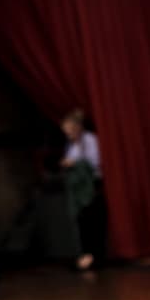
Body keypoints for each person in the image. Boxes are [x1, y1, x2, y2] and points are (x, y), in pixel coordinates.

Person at [59, 109, 105, 271]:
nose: (68, 135)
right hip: (78, 191)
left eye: (70, 132)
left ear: (78, 128)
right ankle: (86, 255)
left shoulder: (90, 141)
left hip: (92, 187)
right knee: (82, 222)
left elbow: (94, 162)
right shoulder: (71, 145)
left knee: (94, 222)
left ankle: (96, 256)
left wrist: (74, 163)